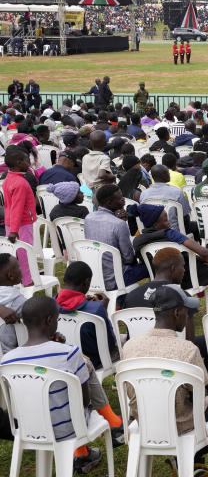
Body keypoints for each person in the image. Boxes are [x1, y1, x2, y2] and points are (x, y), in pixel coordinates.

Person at [2, 296, 124, 472]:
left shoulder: (7, 360)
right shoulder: (68, 353)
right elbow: (83, 400)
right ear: (50, 320)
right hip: (68, 428)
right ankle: (104, 431)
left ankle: (84, 452)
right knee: (85, 363)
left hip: (28, 427)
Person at [54, 261, 119, 370]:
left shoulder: (50, 303)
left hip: (65, 358)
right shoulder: (96, 309)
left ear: (64, 280)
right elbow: (109, 343)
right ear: (86, 282)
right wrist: (103, 310)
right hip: (92, 361)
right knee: (124, 344)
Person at [84, 184, 148, 289]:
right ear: (109, 203)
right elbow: (128, 258)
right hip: (116, 279)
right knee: (153, 265)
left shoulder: (88, 218)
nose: (123, 200)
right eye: (120, 198)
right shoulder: (118, 224)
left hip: (96, 273)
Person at [2, 149, 39, 285]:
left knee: (14, 252)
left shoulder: (8, 179)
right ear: (18, 163)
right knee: (25, 253)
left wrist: (11, 227)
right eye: (26, 160)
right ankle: (27, 280)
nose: (28, 163)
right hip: (22, 223)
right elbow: (17, 208)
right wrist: (14, 230)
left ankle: (13, 279)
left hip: (10, 221)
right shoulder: (21, 183)